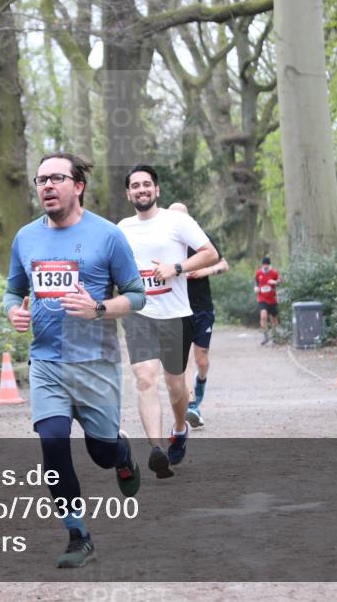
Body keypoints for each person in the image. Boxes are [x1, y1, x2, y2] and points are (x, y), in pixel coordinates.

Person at [4, 152, 147, 569]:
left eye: (56, 178)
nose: (47, 186)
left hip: (94, 363)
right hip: (46, 362)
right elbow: (13, 289)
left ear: (77, 186)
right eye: (41, 179)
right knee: (51, 443)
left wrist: (99, 309)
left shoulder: (107, 236)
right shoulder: (25, 238)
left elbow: (137, 296)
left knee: (101, 451)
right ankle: (78, 534)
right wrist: (12, 310)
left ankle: (122, 455)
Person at [118, 165, 218, 479]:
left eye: (147, 184)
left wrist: (176, 267)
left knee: (176, 386)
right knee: (145, 378)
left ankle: (179, 428)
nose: (141, 189)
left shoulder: (178, 221)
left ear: (157, 190)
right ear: (128, 193)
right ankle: (156, 449)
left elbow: (210, 253)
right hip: (140, 315)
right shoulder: (121, 229)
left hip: (176, 315)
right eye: (135, 185)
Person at [167, 202, 229, 429]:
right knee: (183, 361)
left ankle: (200, 385)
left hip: (202, 307)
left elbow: (224, 264)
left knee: (201, 360)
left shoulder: (201, 239)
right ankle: (192, 404)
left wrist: (206, 270)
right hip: (177, 308)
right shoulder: (164, 243)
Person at [255, 256, 280, 345]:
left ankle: (275, 336)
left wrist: (275, 282)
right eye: (264, 264)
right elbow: (256, 283)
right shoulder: (258, 273)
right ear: (262, 265)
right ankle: (265, 336)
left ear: (269, 265)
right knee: (263, 316)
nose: (265, 266)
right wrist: (256, 288)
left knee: (274, 319)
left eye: (267, 264)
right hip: (262, 298)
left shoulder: (274, 273)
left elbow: (281, 281)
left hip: (272, 299)